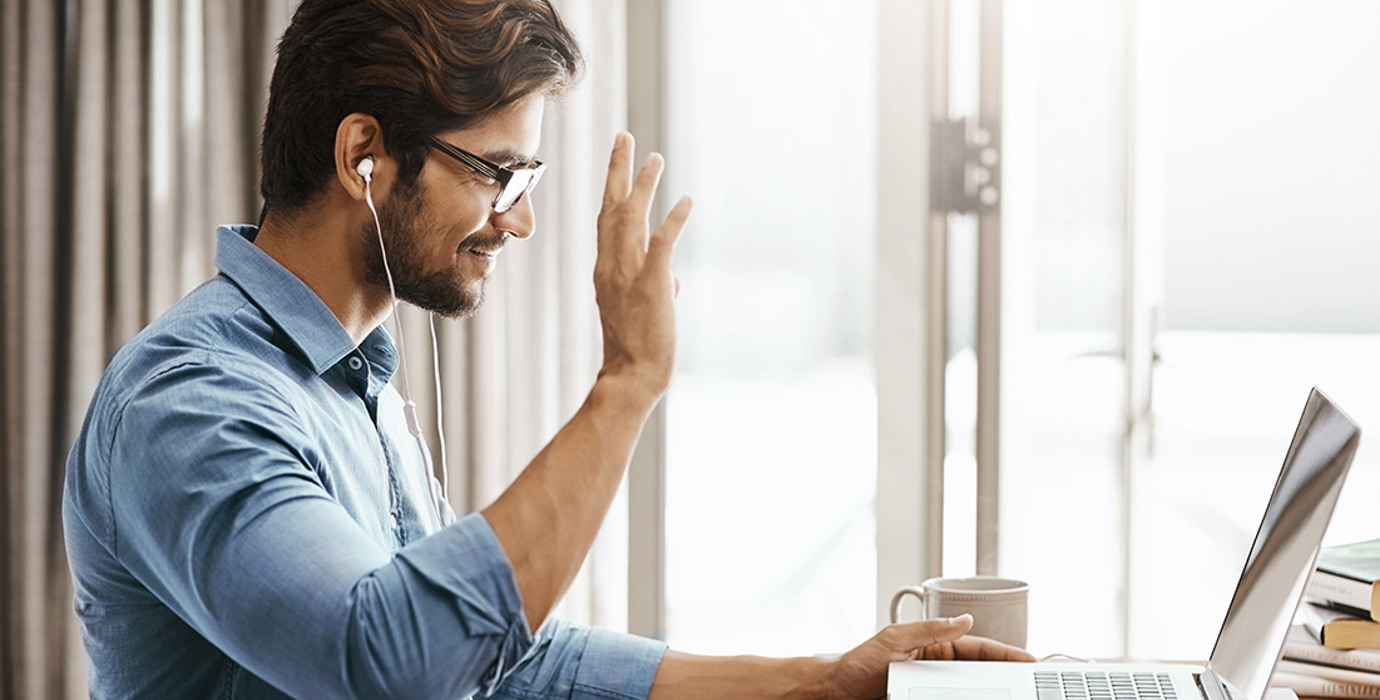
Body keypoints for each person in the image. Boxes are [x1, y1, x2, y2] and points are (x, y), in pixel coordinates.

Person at [61, 0, 1034, 697]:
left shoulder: (350, 386)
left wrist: (824, 681)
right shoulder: (191, 401)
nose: (516, 224)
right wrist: (626, 382)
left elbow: (502, 657)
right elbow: (389, 665)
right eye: (497, 175)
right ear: (364, 154)